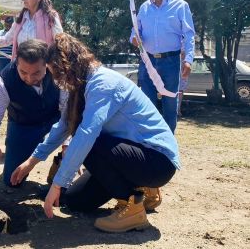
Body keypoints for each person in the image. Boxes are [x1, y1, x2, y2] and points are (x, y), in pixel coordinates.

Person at [11, 33, 180, 233]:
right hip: (131, 157)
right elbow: (63, 125)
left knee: (89, 142)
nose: (56, 81)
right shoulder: (78, 87)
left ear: (67, 67)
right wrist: (32, 161)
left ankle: (132, 206)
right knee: (74, 201)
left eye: (56, 74)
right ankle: (141, 189)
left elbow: (87, 134)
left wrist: (57, 184)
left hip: (157, 161)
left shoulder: (102, 84)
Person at [0, 39, 64, 187]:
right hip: (23, 125)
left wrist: (67, 146)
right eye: (23, 72)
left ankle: (61, 163)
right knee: (12, 181)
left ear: (46, 64)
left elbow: (69, 113)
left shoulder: (59, 72)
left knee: (76, 142)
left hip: (55, 119)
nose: (30, 78)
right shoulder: (4, 82)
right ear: (16, 63)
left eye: (37, 73)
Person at [130, 0, 195, 132]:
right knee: (147, 104)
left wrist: (188, 60)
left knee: (170, 105)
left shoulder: (180, 6)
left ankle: (168, 142)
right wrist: (134, 39)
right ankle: (150, 142)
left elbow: (189, 35)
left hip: (171, 62)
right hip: (147, 62)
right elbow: (134, 33)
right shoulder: (144, 7)